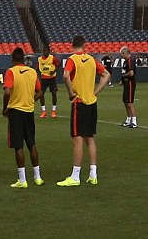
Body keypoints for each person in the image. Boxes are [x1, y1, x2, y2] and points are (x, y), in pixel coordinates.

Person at [56, 35, 109, 187]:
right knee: (89, 138)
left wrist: (70, 92)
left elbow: (65, 75)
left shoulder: (73, 60)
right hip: (91, 102)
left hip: (79, 103)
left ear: (72, 45)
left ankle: (75, 176)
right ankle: (93, 174)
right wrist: (95, 92)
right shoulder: (92, 60)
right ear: (84, 45)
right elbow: (106, 75)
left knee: (77, 139)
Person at [3, 46, 43, 188]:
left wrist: (5, 108)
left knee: (18, 146)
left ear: (13, 59)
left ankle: (22, 180)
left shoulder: (11, 72)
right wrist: (31, 100)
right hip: (29, 111)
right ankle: (37, 177)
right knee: (31, 143)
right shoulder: (32, 72)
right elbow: (40, 92)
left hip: (16, 112)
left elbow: (7, 92)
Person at [37, 44, 60, 119]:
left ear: (49, 51)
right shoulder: (40, 59)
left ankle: (53, 110)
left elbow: (58, 64)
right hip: (43, 78)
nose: (45, 52)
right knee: (41, 94)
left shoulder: (52, 58)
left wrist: (54, 71)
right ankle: (43, 111)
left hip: (52, 78)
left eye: (46, 51)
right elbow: (37, 67)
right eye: (44, 51)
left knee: (53, 93)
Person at [119, 45, 138, 127]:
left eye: (122, 54)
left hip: (130, 83)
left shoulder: (130, 61)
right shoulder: (125, 61)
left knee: (129, 102)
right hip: (126, 83)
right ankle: (128, 119)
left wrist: (124, 76)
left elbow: (131, 73)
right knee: (126, 102)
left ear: (126, 53)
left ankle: (134, 121)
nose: (121, 55)